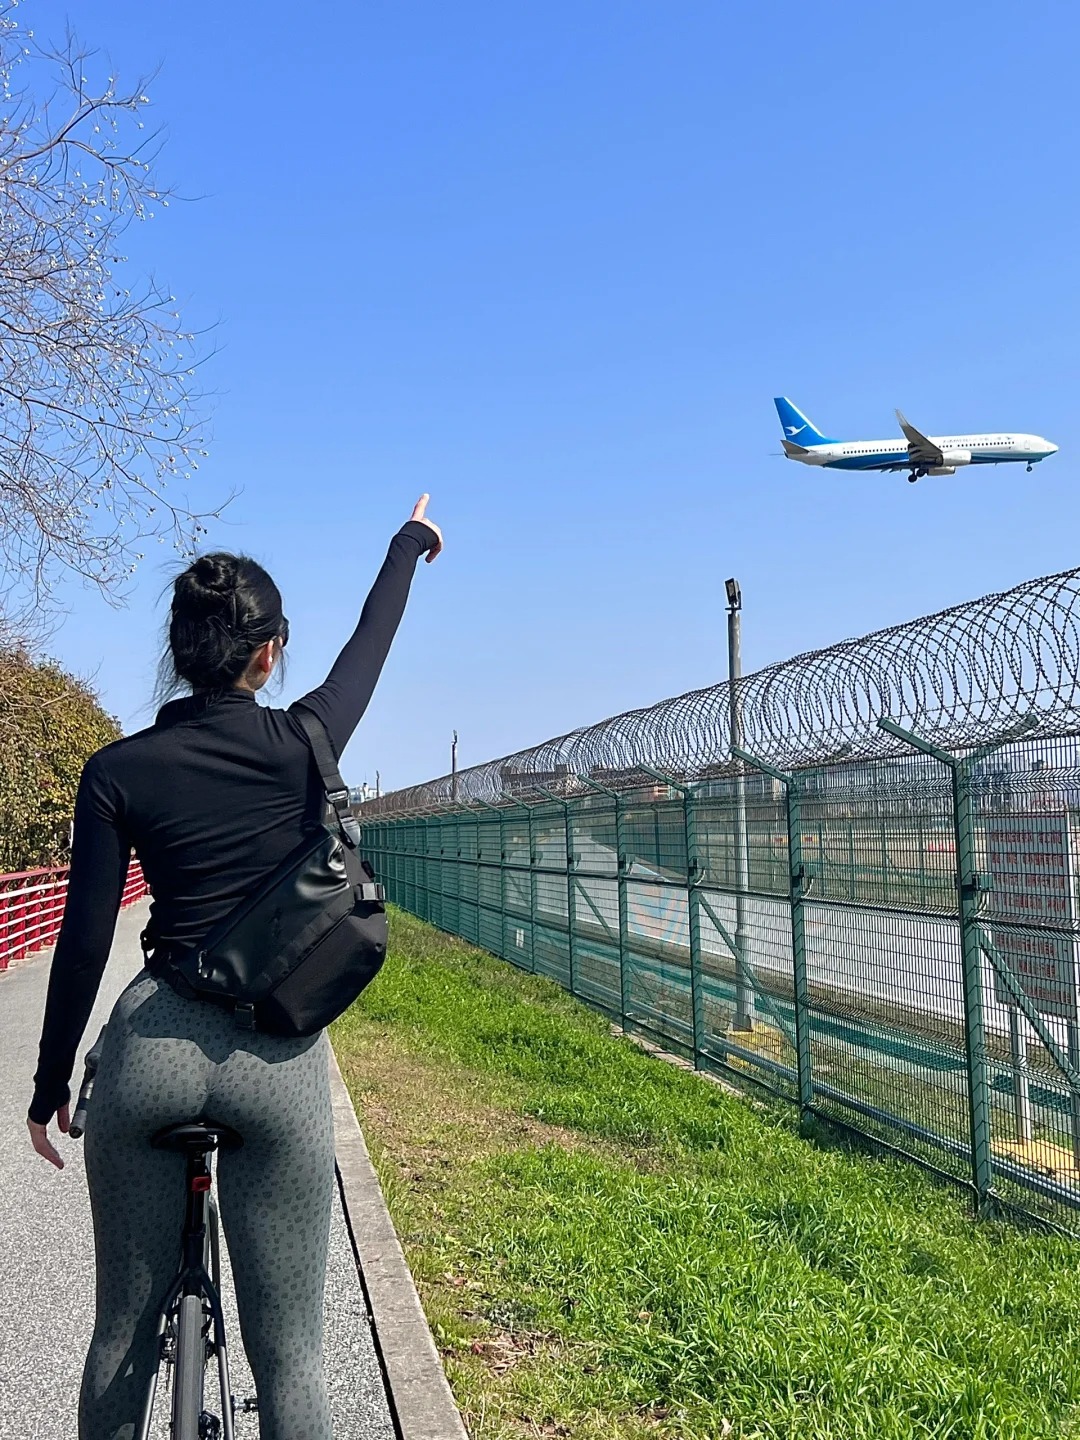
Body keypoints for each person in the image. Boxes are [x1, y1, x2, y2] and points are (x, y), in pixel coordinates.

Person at [26, 495, 443, 1440]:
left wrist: (51, 1084)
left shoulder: (115, 770)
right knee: (293, 1359)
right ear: (269, 654)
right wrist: (407, 544)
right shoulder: (306, 740)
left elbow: (84, 943)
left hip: (150, 1053)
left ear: (177, 652)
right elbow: (367, 649)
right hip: (276, 1060)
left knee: (115, 1341)